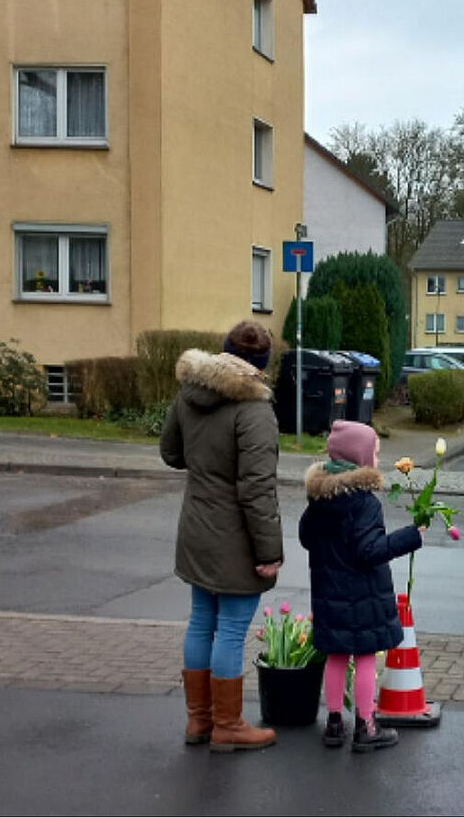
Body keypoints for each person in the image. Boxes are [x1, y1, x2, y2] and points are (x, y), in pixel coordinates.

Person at [160, 320, 283, 753]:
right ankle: (228, 725)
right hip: (235, 537)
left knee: (201, 621)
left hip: (195, 526)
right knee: (230, 630)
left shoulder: (190, 394)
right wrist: (269, 552)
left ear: (224, 350)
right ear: (261, 365)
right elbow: (256, 488)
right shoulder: (254, 410)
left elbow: (171, 453)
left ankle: (200, 721)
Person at [299, 419, 423, 752]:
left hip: (329, 594)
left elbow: (306, 537)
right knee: (365, 656)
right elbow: (370, 551)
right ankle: (366, 725)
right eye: (376, 454)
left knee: (337, 656)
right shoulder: (365, 503)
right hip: (363, 596)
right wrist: (410, 537)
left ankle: (335, 723)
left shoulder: (320, 499)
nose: (379, 460)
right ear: (360, 458)